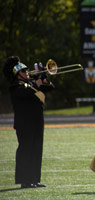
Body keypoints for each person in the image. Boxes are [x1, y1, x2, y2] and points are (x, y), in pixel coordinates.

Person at [2, 56, 54, 188]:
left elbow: (49, 88)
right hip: (25, 123)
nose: (27, 73)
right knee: (26, 150)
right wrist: (38, 81)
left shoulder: (30, 83)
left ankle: (34, 179)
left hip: (37, 121)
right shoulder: (16, 87)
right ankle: (24, 180)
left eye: (27, 70)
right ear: (17, 74)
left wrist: (45, 77)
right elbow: (28, 92)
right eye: (24, 71)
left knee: (37, 149)